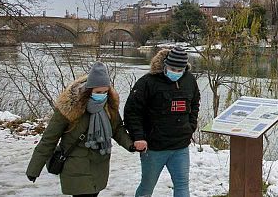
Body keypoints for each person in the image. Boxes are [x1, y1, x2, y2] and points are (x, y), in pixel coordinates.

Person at [26, 62, 136, 197]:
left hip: (99, 165)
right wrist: (34, 169)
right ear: (88, 90)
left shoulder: (108, 105)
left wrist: (130, 145)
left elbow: (117, 129)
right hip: (76, 165)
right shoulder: (70, 108)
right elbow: (49, 139)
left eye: (105, 92)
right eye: (98, 92)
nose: (102, 95)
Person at [124, 46, 200, 197]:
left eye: (180, 70)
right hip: (154, 147)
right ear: (165, 64)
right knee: (147, 187)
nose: (176, 73)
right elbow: (132, 111)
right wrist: (138, 137)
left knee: (182, 186)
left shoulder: (190, 80)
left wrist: (190, 126)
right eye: (172, 69)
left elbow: (195, 104)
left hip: (180, 146)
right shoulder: (147, 82)